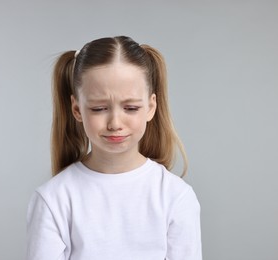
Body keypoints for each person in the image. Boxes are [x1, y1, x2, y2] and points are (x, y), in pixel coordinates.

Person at [27, 36, 202, 260]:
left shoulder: (175, 197)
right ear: (77, 109)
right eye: (99, 108)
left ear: (150, 107)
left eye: (130, 108)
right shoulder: (53, 200)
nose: (115, 123)